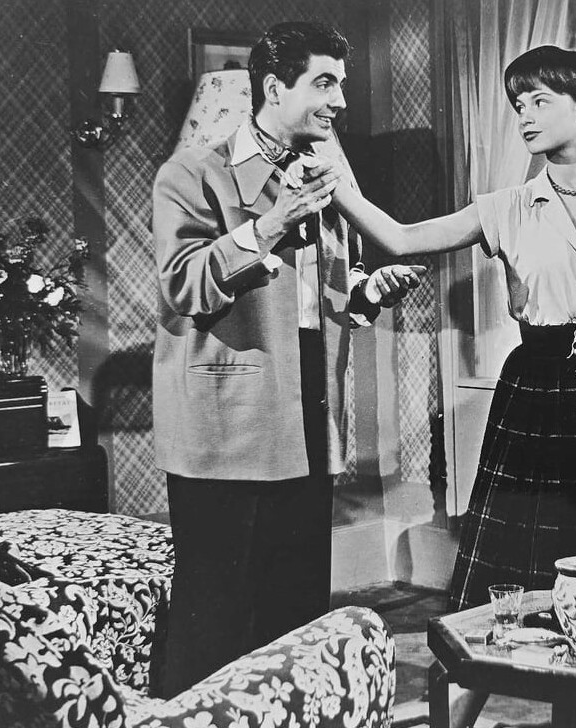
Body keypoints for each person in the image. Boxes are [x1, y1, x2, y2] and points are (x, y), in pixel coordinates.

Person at [331, 42, 576, 605]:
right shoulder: (504, 207)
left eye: (538, 100)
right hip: (535, 391)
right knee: (522, 564)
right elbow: (402, 239)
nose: (524, 116)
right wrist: (331, 185)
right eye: (518, 105)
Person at [151, 20, 424, 697]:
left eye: (342, 85)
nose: (340, 102)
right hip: (228, 423)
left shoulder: (320, 178)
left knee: (296, 608)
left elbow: (313, 297)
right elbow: (183, 286)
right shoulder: (192, 172)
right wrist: (273, 220)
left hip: (308, 412)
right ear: (275, 88)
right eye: (324, 84)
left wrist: (366, 291)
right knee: (217, 615)